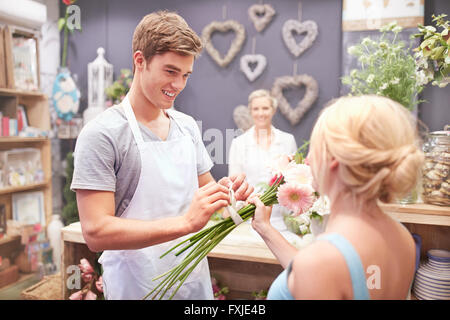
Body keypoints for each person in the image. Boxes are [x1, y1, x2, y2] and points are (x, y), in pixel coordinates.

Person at [70, 11, 253, 300]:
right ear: (140, 61)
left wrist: (230, 195)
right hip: (136, 285)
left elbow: (209, 194)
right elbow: (96, 231)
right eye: (170, 71)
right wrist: (185, 224)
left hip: (192, 281)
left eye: (185, 75)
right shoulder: (102, 135)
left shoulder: (187, 126)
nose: (178, 85)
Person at [249, 95, 423, 299]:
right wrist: (265, 228)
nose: (307, 158)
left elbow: (321, 271)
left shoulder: (321, 262)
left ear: (332, 160)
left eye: (314, 147)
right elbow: (328, 276)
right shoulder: (403, 239)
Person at [228, 89, 297, 231]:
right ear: (250, 111)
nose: (261, 113)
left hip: (282, 221)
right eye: (256, 109)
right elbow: (234, 185)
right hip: (249, 220)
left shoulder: (287, 140)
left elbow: (293, 180)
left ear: (273, 110)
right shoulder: (239, 143)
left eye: (265, 108)